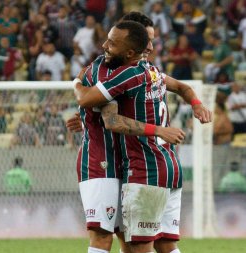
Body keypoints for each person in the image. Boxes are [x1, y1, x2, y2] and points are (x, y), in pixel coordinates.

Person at [72, 14, 212, 253]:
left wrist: (76, 83)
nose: (150, 46)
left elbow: (109, 118)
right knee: (160, 243)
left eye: (151, 40)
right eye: (147, 39)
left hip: (143, 168)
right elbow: (182, 87)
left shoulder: (130, 74)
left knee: (132, 244)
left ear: (129, 50)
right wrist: (196, 104)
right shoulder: (152, 71)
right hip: (165, 165)